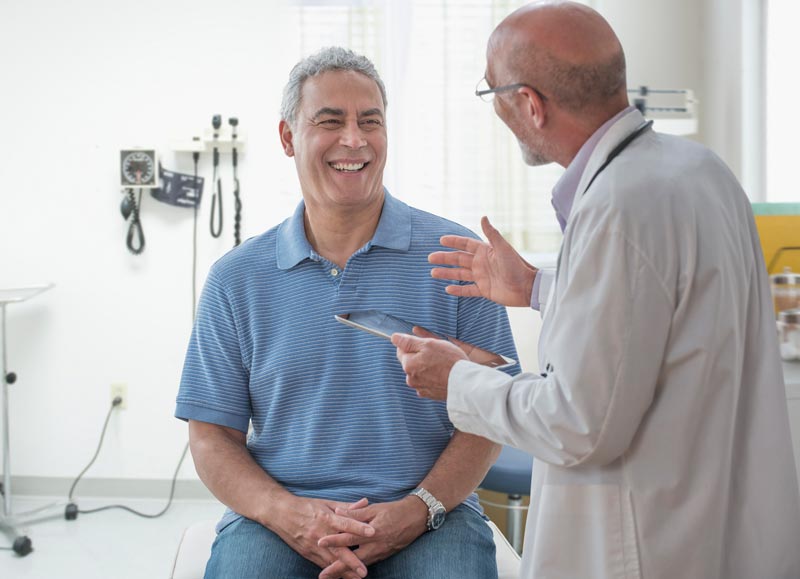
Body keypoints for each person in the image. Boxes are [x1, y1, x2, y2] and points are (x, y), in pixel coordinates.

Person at [392, 2, 800, 578]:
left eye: (494, 94)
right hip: (711, 529)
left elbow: (578, 425)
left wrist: (455, 379)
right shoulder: (698, 171)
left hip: (643, 548)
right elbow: (667, 315)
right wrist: (537, 288)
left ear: (530, 105)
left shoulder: (617, 207)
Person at [175, 46, 519, 579]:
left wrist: (417, 510)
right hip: (281, 516)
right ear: (289, 138)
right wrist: (287, 514)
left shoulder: (454, 256)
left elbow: (492, 414)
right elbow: (210, 436)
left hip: (430, 514)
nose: (354, 140)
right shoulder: (236, 278)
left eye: (370, 122)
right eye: (330, 121)